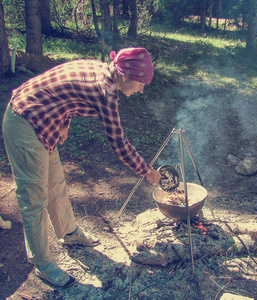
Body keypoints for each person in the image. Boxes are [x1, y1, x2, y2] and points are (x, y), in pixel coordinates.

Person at [1, 47, 161, 288]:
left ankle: (69, 233)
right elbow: (118, 142)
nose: (142, 89)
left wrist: (64, 123)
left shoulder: (103, 71)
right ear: (126, 75)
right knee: (34, 198)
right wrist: (146, 171)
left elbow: (62, 92)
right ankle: (43, 265)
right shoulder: (106, 92)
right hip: (25, 119)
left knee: (55, 183)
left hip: (46, 120)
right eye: (140, 83)